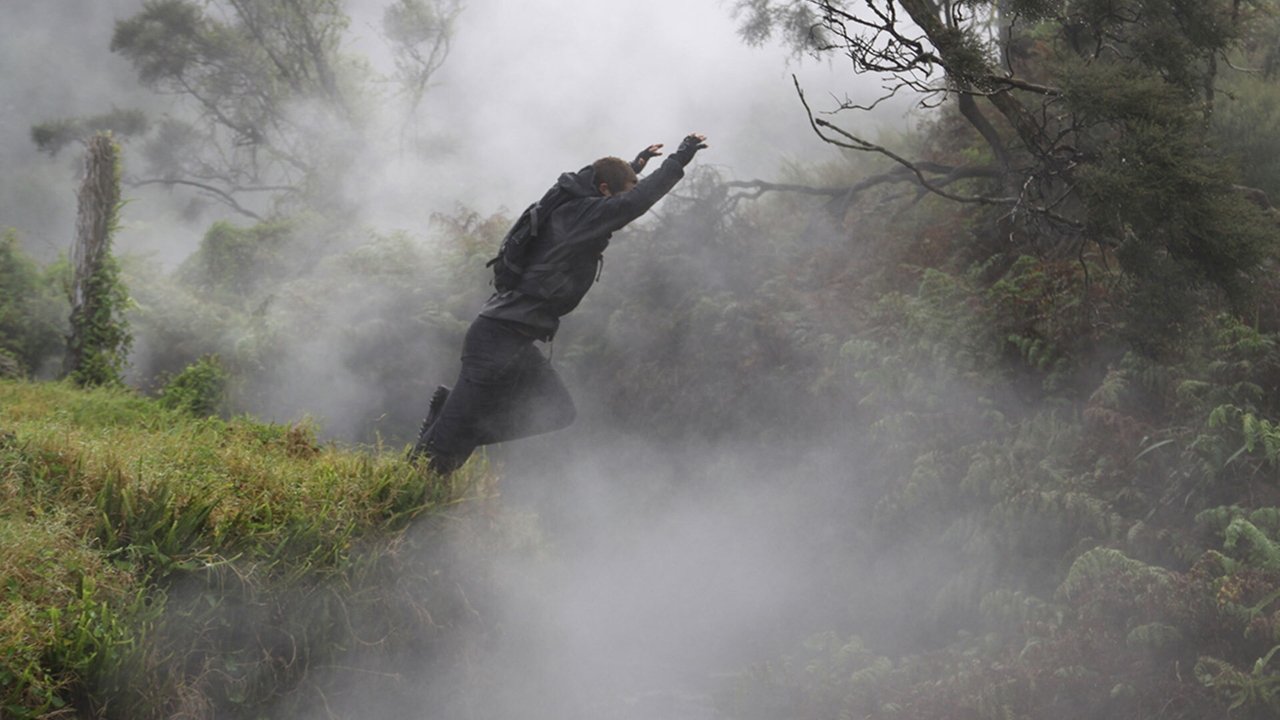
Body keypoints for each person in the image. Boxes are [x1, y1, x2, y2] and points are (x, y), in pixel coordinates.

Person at [408, 133, 709, 474]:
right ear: (604, 191)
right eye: (623, 190)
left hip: (516, 340)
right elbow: (633, 202)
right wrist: (678, 159)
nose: (622, 201)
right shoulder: (579, 215)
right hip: (497, 339)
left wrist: (634, 165)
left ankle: (448, 423)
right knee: (435, 462)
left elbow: (608, 184)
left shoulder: (576, 206)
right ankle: (429, 459)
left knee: (557, 410)